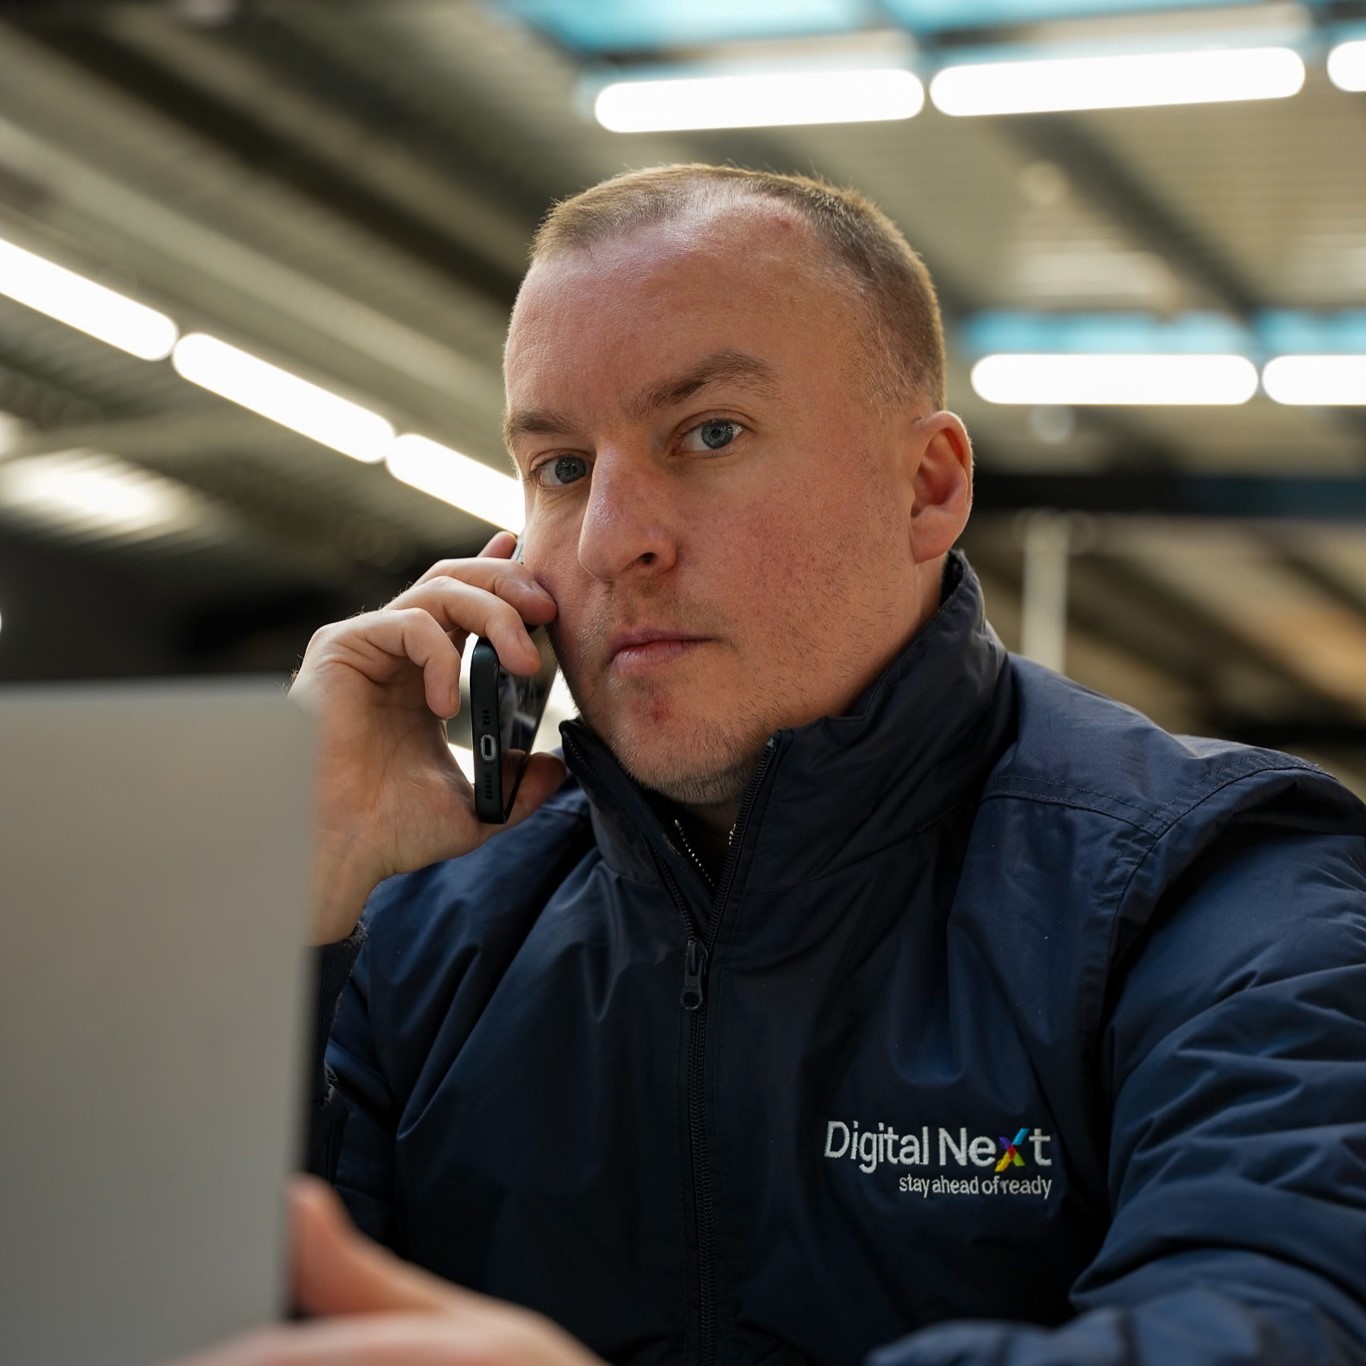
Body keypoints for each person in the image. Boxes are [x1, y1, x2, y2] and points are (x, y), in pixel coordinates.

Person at [191, 165, 1366, 1364]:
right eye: (562, 467)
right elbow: (147, 1309)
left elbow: (1275, 1323)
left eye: (708, 434)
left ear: (928, 486)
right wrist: (289, 910)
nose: (612, 540)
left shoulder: (1213, 887)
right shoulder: (425, 941)